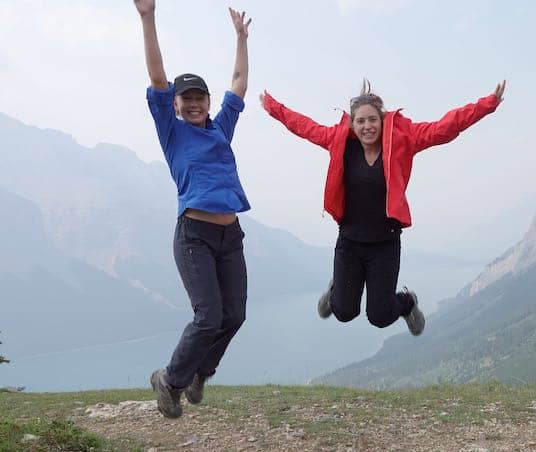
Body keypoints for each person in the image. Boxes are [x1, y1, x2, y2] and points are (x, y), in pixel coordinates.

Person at [261, 79, 506, 336]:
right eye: (360, 121)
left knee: (379, 316)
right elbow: (305, 127)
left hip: (385, 244)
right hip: (350, 241)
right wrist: (273, 107)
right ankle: (337, 292)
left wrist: (487, 104)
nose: (367, 126)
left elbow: (444, 128)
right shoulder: (339, 141)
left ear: (382, 120)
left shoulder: (403, 139)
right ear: (352, 125)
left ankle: (407, 303)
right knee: (344, 311)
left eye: (372, 120)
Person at [133, 0, 252, 418]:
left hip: (230, 235)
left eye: (200, 97)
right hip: (195, 236)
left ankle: (201, 371)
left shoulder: (221, 129)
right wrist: (148, 17)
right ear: (176, 104)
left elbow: (238, 84)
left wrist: (241, 39)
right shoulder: (172, 132)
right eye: (187, 98)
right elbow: (157, 77)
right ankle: (170, 380)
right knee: (208, 317)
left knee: (234, 316)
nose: (195, 103)